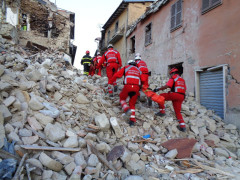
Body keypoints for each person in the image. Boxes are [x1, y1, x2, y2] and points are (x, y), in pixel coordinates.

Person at [109, 60, 143, 126]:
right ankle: (132, 121)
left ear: (129, 63)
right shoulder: (139, 70)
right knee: (132, 104)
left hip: (128, 86)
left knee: (122, 98)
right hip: (136, 88)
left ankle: (127, 109)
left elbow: (117, 75)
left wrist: (111, 81)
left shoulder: (126, 68)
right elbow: (143, 80)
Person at [154, 67, 187, 132]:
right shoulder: (182, 80)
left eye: (170, 74)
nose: (170, 76)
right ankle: (182, 126)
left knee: (160, 96)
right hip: (182, 96)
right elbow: (184, 89)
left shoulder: (173, 78)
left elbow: (167, 86)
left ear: (173, 73)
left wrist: (158, 89)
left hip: (175, 94)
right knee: (177, 112)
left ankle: (162, 112)